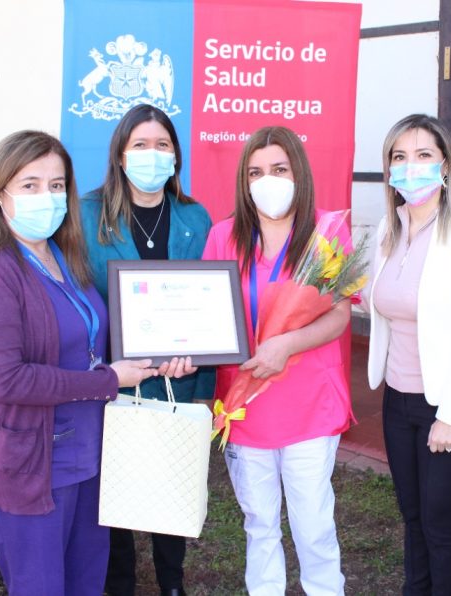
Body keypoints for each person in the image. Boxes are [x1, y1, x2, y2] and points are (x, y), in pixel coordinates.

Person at [0, 130, 190, 595]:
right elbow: (6, 381)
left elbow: (90, 337)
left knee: (86, 582)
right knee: (40, 586)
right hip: (30, 466)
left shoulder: (63, 256)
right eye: (30, 185)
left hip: (88, 457)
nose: (48, 196)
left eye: (57, 186)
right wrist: (108, 381)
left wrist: (160, 352)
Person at [202, 125, 352, 596]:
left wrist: (288, 344)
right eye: (256, 172)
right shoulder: (224, 236)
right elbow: (206, 310)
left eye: (279, 169)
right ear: (244, 182)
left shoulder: (327, 233)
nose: (268, 179)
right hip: (246, 406)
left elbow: (340, 314)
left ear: (299, 174)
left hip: (310, 405)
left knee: (313, 526)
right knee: (259, 523)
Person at [365, 114, 451, 595]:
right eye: (399, 157)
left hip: (450, 404)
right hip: (398, 400)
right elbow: (382, 301)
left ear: (445, 163)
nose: (411, 167)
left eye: (423, 155)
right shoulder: (388, 227)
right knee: (413, 517)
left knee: (441, 526)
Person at [79, 104, 212, 596]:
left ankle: (172, 583)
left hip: (176, 380)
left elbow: (210, 307)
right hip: (108, 380)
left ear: (176, 157)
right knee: (116, 490)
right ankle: (121, 586)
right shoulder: (86, 214)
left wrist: (201, 377)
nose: (151, 155)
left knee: (170, 483)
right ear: (119, 154)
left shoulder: (195, 218)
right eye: (140, 145)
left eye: (162, 145)